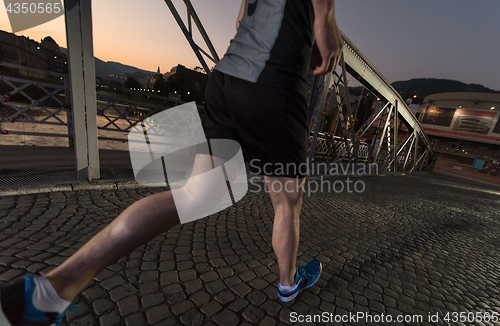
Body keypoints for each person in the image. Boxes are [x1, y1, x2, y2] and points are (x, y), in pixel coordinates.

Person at [0, 0, 343, 324]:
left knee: (197, 194)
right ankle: (288, 284)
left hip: (226, 80)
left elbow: (241, 21)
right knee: (286, 200)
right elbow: (323, 31)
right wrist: (324, 24)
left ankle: (48, 292)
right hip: (275, 84)